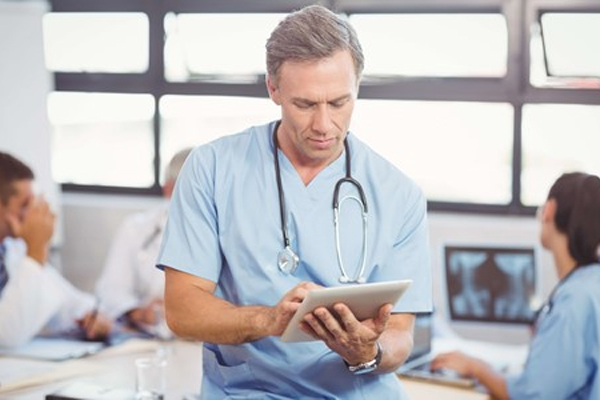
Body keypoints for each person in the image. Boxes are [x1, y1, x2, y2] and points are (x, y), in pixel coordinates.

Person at [157, 5, 432, 399]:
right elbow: (182, 310)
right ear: (273, 88)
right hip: (247, 391)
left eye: (339, 103)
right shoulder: (212, 169)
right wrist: (270, 319)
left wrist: (369, 351)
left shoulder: (399, 194)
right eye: (304, 104)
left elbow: (401, 335)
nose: (323, 125)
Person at [431, 172, 600, 399]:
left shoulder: (575, 300)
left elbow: (530, 395)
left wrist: (476, 367)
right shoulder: (590, 283)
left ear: (549, 210)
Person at [0, 151, 111, 347]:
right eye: (25, 205)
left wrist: (92, 315)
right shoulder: (28, 254)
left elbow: (67, 300)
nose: (33, 214)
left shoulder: (11, 250)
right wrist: (35, 252)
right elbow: (7, 336)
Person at [95, 148, 191, 338]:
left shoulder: (227, 233)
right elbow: (110, 289)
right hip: (149, 341)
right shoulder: (136, 228)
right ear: (169, 190)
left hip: (202, 344)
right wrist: (139, 311)